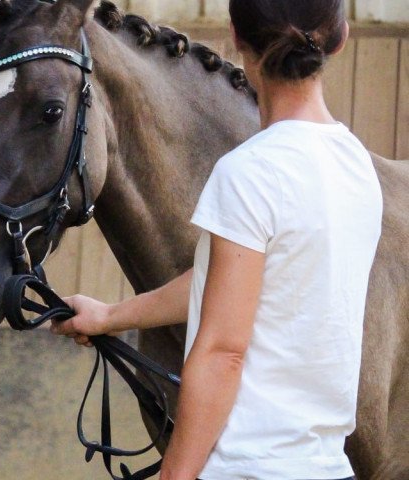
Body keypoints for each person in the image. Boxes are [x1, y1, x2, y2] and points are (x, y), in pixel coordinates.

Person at [51, 0, 383, 478]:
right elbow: (234, 284)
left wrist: (176, 474)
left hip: (245, 468)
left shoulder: (248, 173)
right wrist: (110, 316)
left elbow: (224, 351)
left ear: (235, 37)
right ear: (341, 36)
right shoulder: (356, 165)